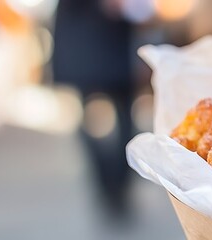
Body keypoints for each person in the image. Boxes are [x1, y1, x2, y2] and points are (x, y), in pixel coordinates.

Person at [52, 0, 134, 216]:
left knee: (115, 118)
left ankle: (114, 183)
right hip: (96, 44)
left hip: (100, 44)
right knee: (108, 120)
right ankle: (113, 183)